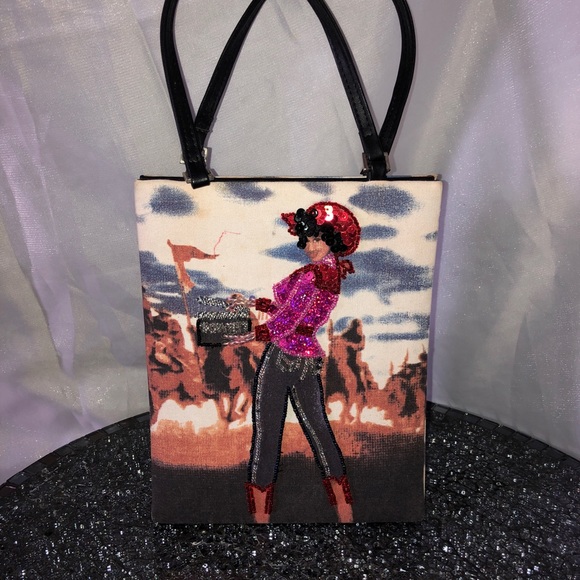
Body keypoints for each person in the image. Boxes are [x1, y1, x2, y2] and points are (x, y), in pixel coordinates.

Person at [227, 202, 361, 523]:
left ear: (332, 239)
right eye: (307, 240)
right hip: (307, 358)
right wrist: (252, 303)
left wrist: (253, 334)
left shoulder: (313, 275)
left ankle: (260, 517)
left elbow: (287, 320)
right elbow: (293, 312)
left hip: (282, 356)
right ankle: (345, 510)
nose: (311, 247)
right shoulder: (331, 274)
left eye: (318, 239)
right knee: (319, 430)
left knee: (267, 433)